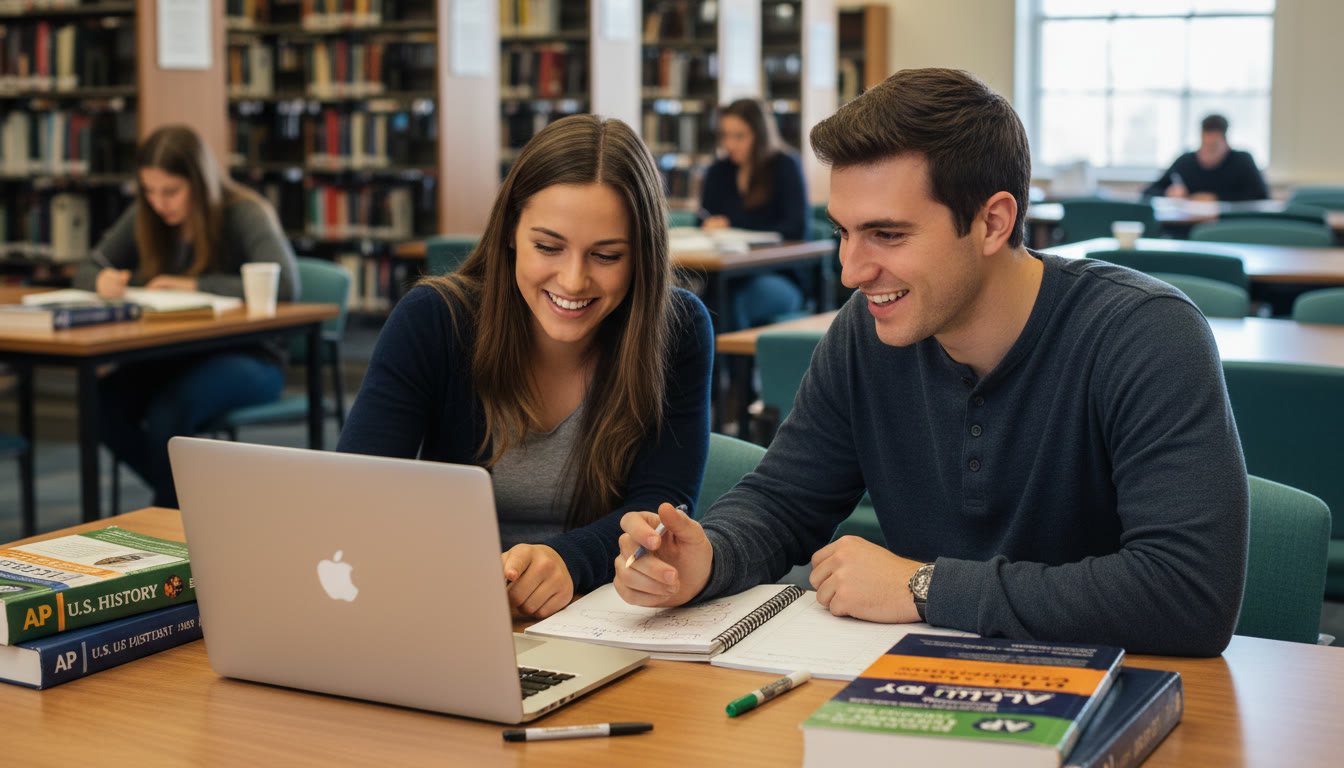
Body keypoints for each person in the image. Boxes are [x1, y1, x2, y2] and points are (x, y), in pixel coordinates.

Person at [615, 69, 1249, 657]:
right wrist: (708, 557)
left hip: (1112, 692)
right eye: (843, 231)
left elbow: (1188, 593)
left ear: (993, 222)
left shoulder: (1145, 334)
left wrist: (924, 587)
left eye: (888, 235)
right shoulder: (866, 332)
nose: (851, 271)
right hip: (923, 683)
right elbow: (784, 501)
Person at [337, 114, 713, 619]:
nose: (573, 280)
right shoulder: (435, 320)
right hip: (448, 605)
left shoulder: (677, 329)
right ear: (511, 231)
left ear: (642, 255)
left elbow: (660, 507)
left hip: (602, 615)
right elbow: (360, 492)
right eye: (548, 247)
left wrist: (568, 560)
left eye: (606, 255)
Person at [74, 124, 300, 509]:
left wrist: (195, 286)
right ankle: (200, 504)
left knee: (168, 413)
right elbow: (89, 266)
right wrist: (101, 280)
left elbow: (285, 285)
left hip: (252, 357)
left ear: (199, 181)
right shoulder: (147, 213)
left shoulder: (243, 211)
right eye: (149, 190)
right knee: (100, 403)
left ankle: (177, 514)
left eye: (171, 191)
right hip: (175, 355)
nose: (159, 202)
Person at [700, 98, 809, 330]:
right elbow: (702, 218)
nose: (730, 144)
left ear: (760, 135)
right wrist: (709, 224)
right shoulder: (718, 171)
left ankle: (728, 356)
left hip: (778, 273)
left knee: (733, 303)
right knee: (697, 303)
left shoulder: (784, 165)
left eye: (739, 136)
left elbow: (795, 228)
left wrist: (731, 223)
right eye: (725, 135)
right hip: (726, 275)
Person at [1144, 114, 1269, 202]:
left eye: (1213, 147)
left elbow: (1261, 195)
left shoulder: (1242, 161)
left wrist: (1216, 198)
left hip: (1229, 223)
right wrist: (1168, 193)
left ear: (1226, 143)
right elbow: (1149, 191)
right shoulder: (1185, 161)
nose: (1207, 152)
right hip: (1187, 224)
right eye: (1204, 145)